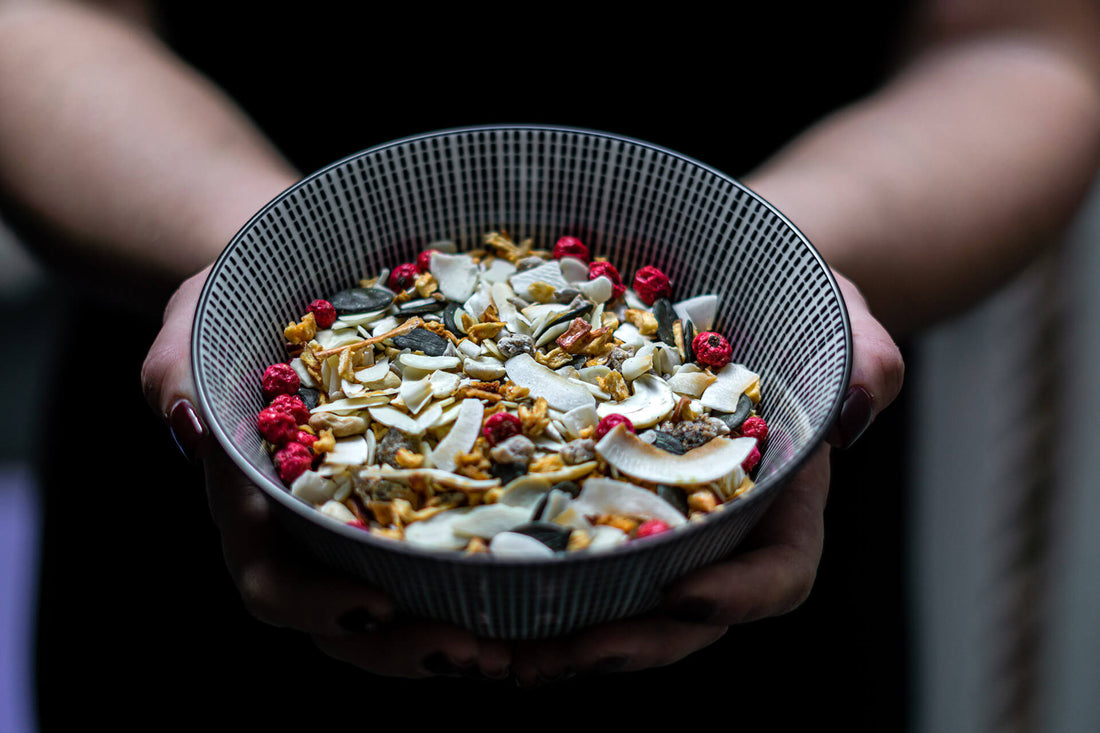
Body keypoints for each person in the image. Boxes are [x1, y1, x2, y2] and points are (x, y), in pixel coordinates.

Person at [1, 0, 1097, 721]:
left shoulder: (707, 364)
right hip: (222, 442)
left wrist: (771, 265)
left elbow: (1020, 45)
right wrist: (259, 256)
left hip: (731, 468)